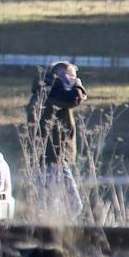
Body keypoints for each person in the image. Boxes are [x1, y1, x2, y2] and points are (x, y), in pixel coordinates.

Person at [27, 60, 87, 219]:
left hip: (48, 159)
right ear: (62, 76)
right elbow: (75, 99)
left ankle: (51, 233)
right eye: (72, 77)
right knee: (74, 205)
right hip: (53, 159)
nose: (74, 81)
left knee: (47, 206)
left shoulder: (47, 90)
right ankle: (60, 233)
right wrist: (77, 85)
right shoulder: (51, 91)